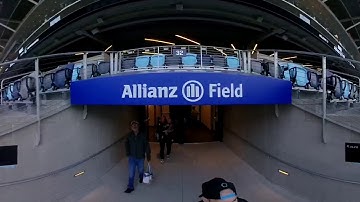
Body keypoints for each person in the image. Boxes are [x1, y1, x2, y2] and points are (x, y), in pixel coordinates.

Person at [124, 120, 151, 193]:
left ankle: (141, 177)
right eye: (133, 125)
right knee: (131, 172)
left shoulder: (143, 135)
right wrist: (128, 153)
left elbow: (147, 146)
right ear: (131, 127)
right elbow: (126, 144)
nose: (134, 126)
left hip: (140, 157)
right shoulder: (129, 136)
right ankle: (130, 187)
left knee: (141, 170)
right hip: (132, 157)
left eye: (136, 125)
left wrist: (148, 155)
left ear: (138, 126)